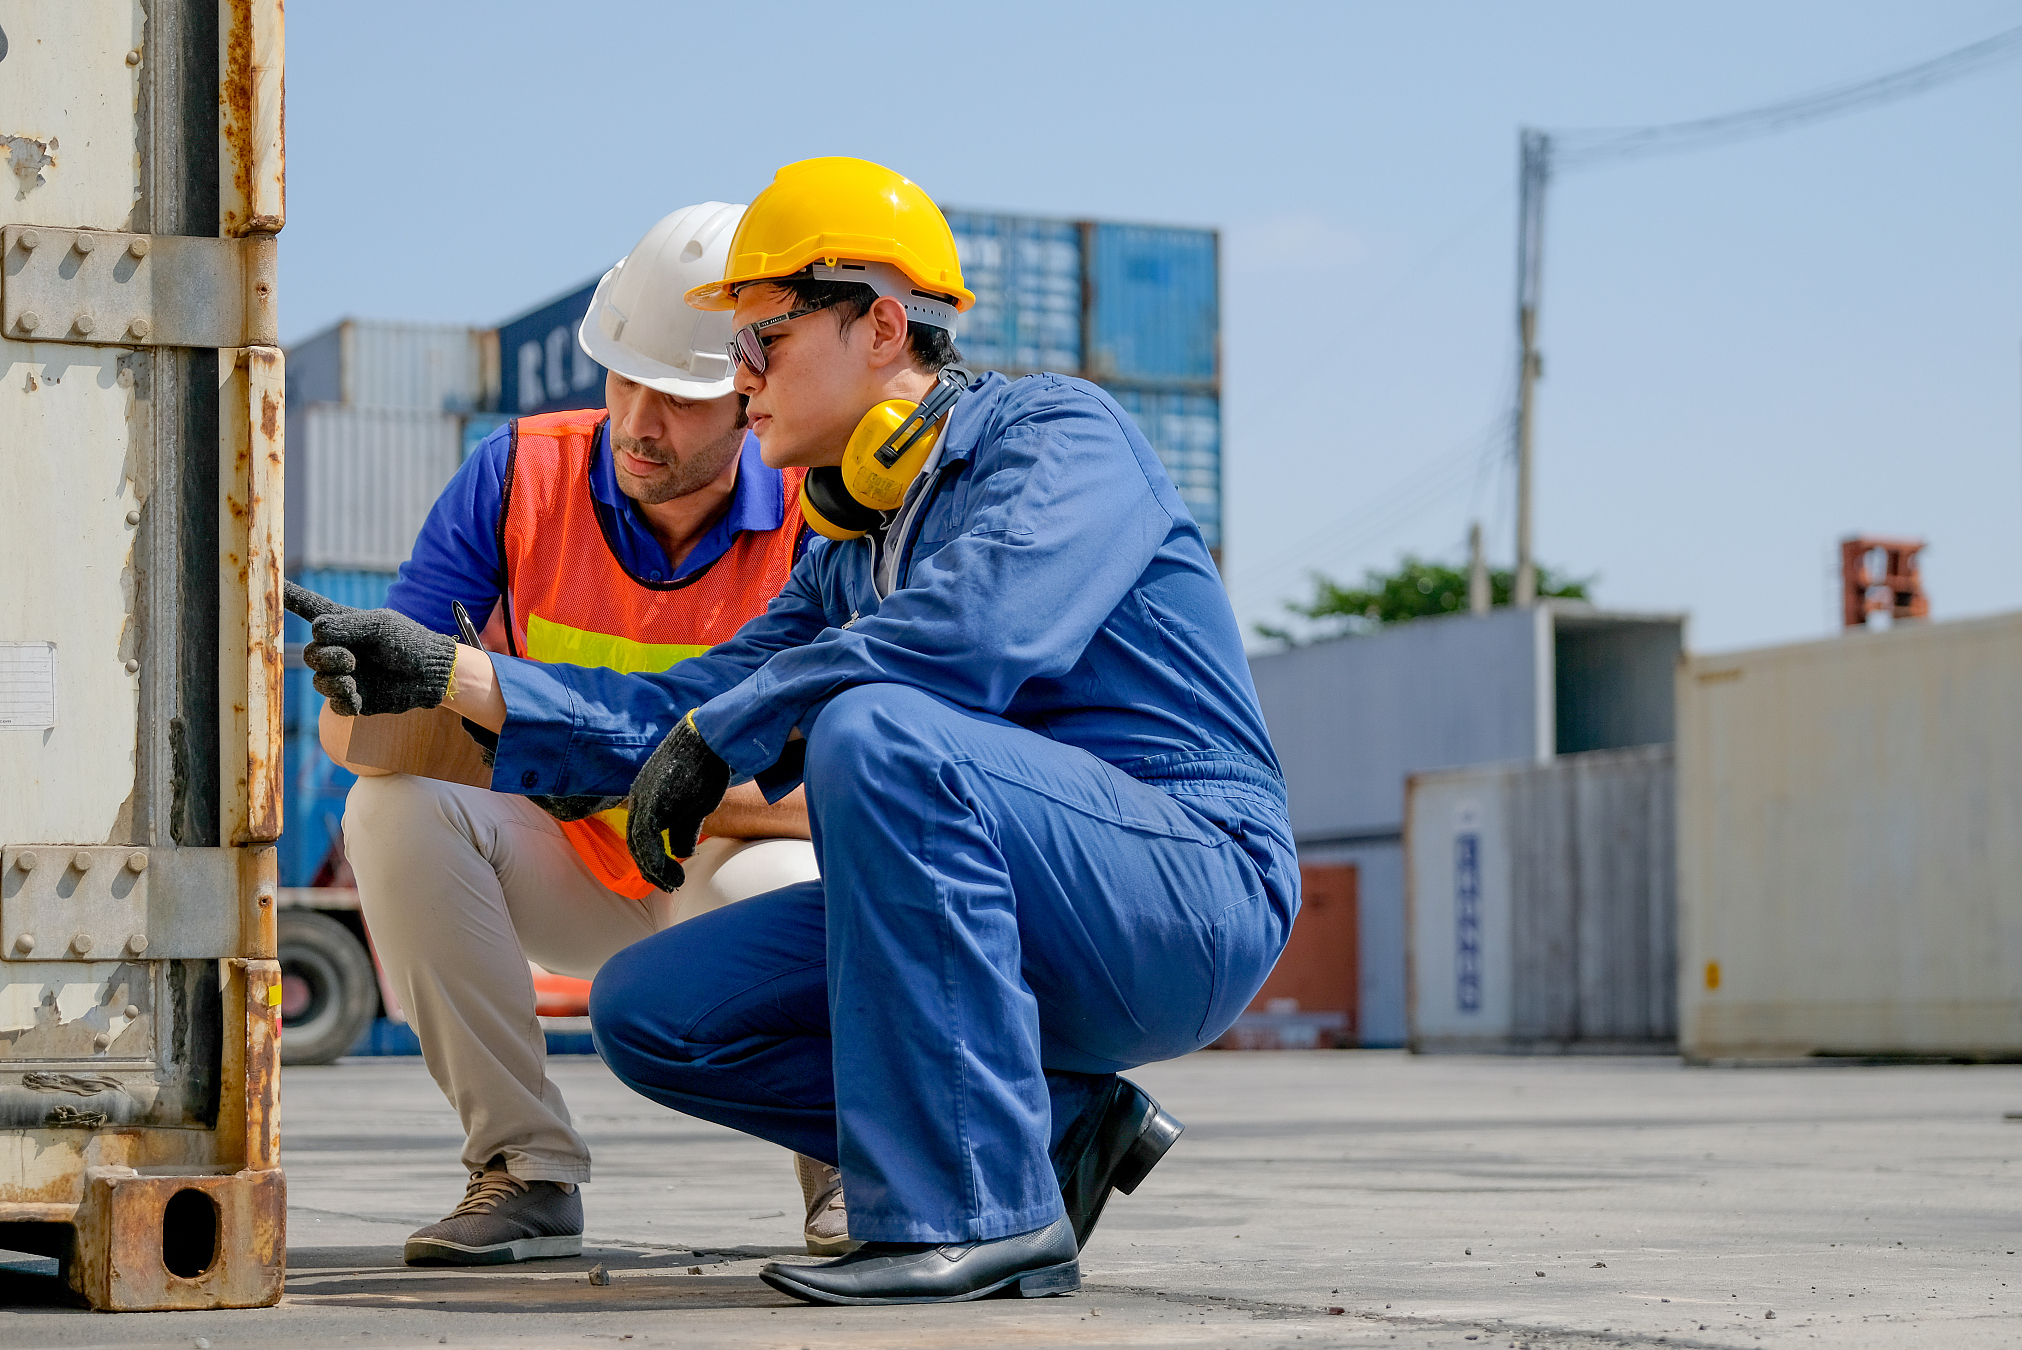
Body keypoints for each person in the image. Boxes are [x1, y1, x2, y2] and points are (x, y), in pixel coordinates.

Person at [294, 158, 1299, 1306]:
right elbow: (686, 705)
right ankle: (1057, 1126)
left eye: (760, 344)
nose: (742, 377)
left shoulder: (1056, 435)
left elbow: (974, 631)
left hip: (1182, 894)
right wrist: (455, 677)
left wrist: (725, 732)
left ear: (880, 325)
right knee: (658, 1014)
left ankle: (980, 1214)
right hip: (1023, 926)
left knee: (880, 728)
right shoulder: (846, 553)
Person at [302, 202, 850, 1267]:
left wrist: (615, 769)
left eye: (681, 397)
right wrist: (361, 707)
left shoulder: (815, 514)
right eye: (622, 377)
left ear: (749, 392)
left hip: (722, 870)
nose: (640, 421)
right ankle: (524, 1168)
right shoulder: (515, 479)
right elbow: (379, 740)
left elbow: (848, 787)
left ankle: (847, 1159)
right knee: (391, 809)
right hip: (571, 872)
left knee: (785, 881)